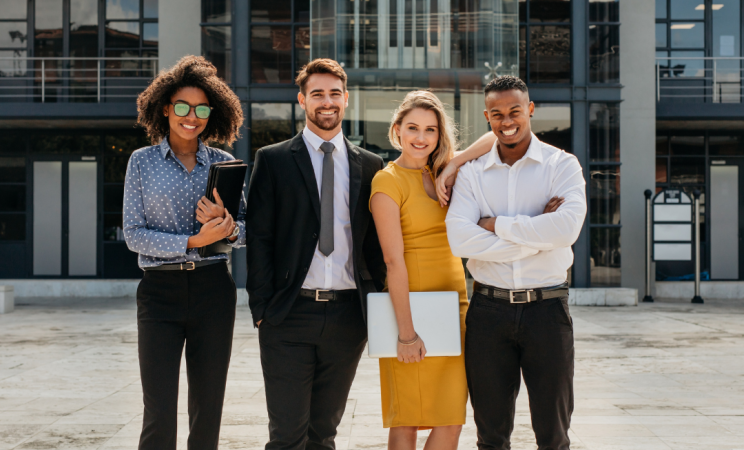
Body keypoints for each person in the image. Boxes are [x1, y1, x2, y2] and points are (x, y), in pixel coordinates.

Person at [245, 58, 386, 450]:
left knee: (323, 435)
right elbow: (259, 237)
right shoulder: (272, 160)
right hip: (288, 315)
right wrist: (262, 309)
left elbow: (375, 246)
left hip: (346, 319)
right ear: (302, 100)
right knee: (287, 436)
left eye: (335, 94)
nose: (327, 102)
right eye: (318, 94)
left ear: (346, 99)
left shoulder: (372, 165)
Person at [445, 75, 586, 450]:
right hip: (488, 312)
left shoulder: (562, 165)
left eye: (514, 111)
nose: (507, 121)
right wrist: (537, 235)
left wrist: (495, 226)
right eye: (497, 114)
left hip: (548, 311)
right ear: (487, 117)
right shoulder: (472, 174)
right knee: (490, 434)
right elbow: (459, 239)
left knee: (553, 435)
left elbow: (567, 228)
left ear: (530, 110)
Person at [124, 55, 245, 450]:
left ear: (214, 113)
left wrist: (227, 226)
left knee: (208, 405)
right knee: (158, 408)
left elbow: (246, 232)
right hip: (159, 293)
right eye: (181, 107)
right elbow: (134, 234)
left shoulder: (224, 163)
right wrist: (193, 241)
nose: (191, 116)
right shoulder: (141, 162)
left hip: (214, 289)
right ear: (164, 108)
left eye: (201, 109)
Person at [369, 90, 473, 449]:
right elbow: (393, 261)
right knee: (408, 420)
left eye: (431, 130)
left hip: (454, 307)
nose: (421, 137)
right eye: (412, 127)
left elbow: (491, 141)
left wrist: (456, 163)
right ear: (397, 130)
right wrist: (407, 333)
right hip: (411, 311)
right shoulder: (387, 181)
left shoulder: (441, 173)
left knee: (452, 420)